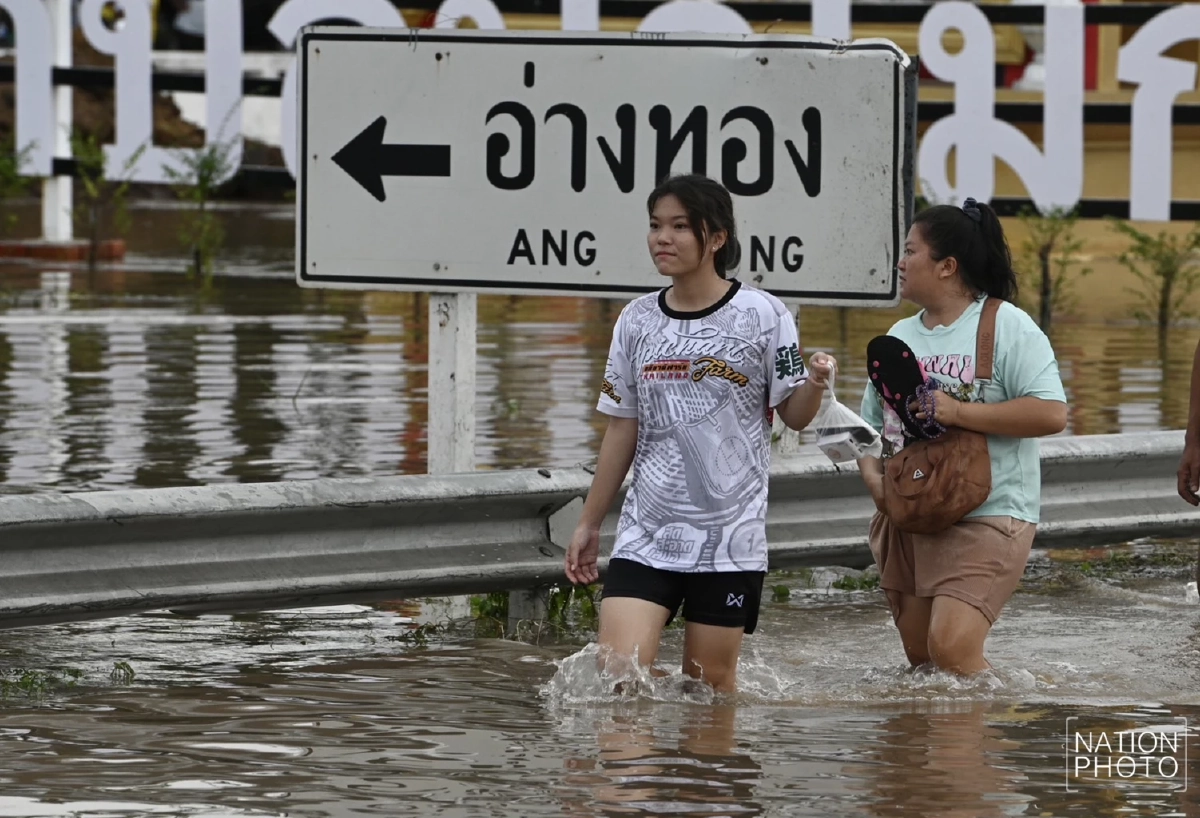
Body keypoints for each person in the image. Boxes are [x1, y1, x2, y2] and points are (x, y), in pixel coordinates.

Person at [563, 173, 836, 694]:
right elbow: (622, 427)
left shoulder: (765, 315)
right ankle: (628, 773)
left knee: (707, 693)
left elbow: (794, 414)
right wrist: (590, 522)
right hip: (647, 536)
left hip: (730, 542)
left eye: (679, 226)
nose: (661, 238)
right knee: (617, 677)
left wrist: (816, 384)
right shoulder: (635, 320)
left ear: (716, 238)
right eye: (655, 225)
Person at [857, 198, 1068, 676]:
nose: (900, 262)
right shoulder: (899, 335)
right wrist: (873, 481)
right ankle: (937, 747)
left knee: (951, 648)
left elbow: (1052, 413)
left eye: (911, 251)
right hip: (910, 511)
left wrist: (957, 410)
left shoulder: (1006, 325)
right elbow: (871, 430)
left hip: (989, 512)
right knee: (924, 661)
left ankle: (1000, 734)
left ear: (947, 266)